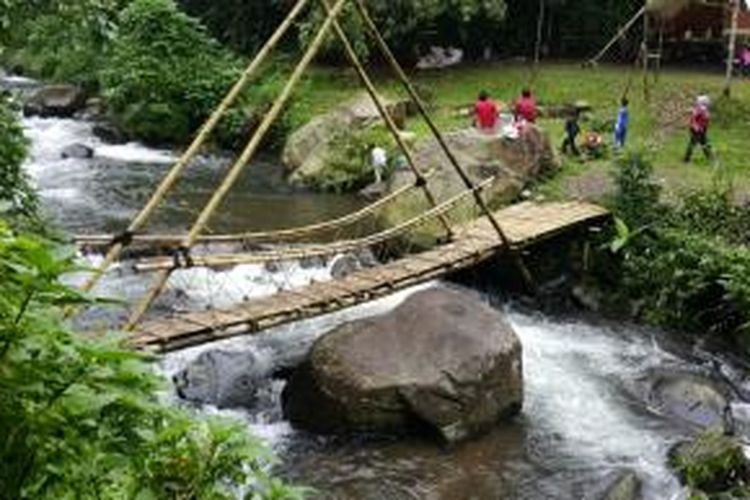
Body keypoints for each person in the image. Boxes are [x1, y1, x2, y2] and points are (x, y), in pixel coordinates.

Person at [684, 95, 713, 163]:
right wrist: (696, 127)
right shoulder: (701, 109)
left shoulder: (701, 109)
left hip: (701, 129)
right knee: (694, 143)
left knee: (705, 143)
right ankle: (686, 159)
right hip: (697, 130)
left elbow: (704, 119)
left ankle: (710, 158)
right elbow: (694, 117)